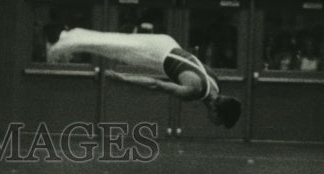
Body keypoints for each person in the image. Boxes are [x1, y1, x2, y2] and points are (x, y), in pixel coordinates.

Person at [46, 27, 242, 128]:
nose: (216, 124)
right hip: (156, 54)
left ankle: (68, 37)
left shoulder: (216, 83)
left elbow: (191, 64)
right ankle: (62, 45)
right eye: (220, 121)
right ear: (216, 112)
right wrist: (123, 78)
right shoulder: (194, 92)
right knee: (113, 48)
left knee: (115, 42)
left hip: (168, 44)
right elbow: (155, 84)